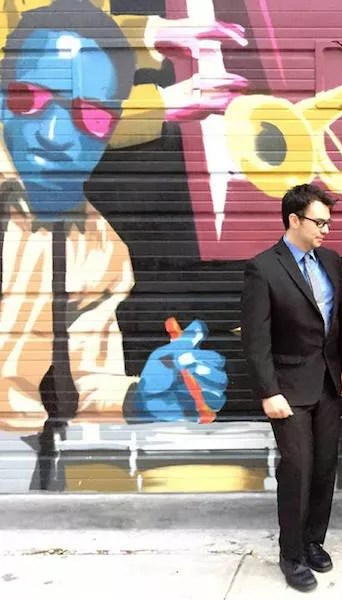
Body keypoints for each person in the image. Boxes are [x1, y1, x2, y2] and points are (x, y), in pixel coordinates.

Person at [0, 0, 228, 476]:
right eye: (30, 99)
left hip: (13, 460)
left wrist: (143, 397)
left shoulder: (98, 247)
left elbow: (87, 386)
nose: (55, 134)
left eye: (91, 116)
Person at [240, 183, 342, 592]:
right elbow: (255, 339)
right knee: (297, 469)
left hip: (328, 382)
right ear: (294, 220)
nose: (326, 229)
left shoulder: (331, 260)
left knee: (324, 467)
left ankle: (313, 541)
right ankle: (291, 554)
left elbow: (339, 317)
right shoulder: (263, 268)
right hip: (287, 388)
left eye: (328, 222)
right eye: (319, 222)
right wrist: (268, 391)